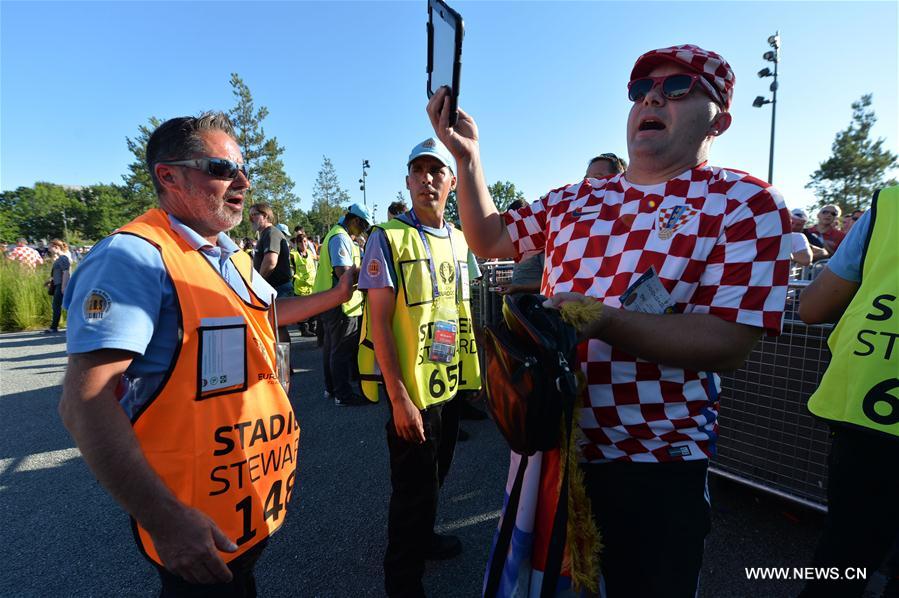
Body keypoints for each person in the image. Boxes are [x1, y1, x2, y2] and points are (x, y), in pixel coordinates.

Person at [427, 44, 790, 596]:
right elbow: (490, 237)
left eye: (678, 87)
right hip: (553, 450)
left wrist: (602, 321)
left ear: (720, 120)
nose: (652, 98)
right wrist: (468, 158)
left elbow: (728, 342)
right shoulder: (577, 197)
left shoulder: (746, 203)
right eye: (642, 89)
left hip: (655, 464)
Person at [57, 112, 357, 597]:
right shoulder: (133, 257)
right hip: (189, 519)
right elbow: (83, 405)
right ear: (168, 176)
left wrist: (338, 295)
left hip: (240, 503)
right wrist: (166, 521)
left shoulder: (229, 254)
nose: (242, 182)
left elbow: (267, 315)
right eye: (221, 169)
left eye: (243, 170)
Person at [357, 137, 482, 598]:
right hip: (410, 391)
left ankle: (424, 538)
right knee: (412, 489)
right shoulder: (387, 237)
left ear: (451, 181)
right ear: (408, 182)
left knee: (436, 475)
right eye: (419, 171)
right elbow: (380, 323)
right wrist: (398, 399)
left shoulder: (461, 239)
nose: (427, 179)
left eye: (437, 171)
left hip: (448, 383)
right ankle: (402, 580)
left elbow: (459, 311)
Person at [798, 186, 899, 598]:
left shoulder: (888, 206)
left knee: (842, 562)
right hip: (874, 412)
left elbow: (812, 308)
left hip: (873, 406)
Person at [312, 203, 373, 406]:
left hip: (331, 301)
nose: (363, 231)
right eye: (363, 226)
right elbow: (343, 273)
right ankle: (343, 394)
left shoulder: (341, 235)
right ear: (355, 220)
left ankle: (332, 388)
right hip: (339, 303)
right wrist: (368, 270)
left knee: (332, 347)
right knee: (341, 349)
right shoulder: (340, 238)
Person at [289, 231, 318, 337]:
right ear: (297, 243)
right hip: (300, 287)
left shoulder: (310, 253)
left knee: (313, 309)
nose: (303, 244)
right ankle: (304, 329)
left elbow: (316, 260)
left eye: (305, 241)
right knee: (302, 310)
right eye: (300, 242)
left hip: (312, 286)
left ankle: (312, 327)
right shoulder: (293, 255)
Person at [44, 239, 71, 333]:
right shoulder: (59, 259)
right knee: (57, 306)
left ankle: (54, 327)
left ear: (56, 247)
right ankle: (54, 327)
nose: (48, 249)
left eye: (50, 247)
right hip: (58, 285)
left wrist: (63, 287)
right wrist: (49, 281)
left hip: (60, 285)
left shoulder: (63, 258)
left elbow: (66, 272)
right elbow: (58, 273)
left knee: (56, 306)